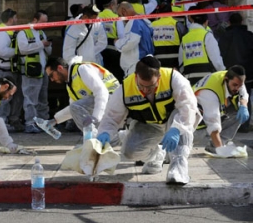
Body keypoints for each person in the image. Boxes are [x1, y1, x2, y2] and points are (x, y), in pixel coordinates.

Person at [96, 55, 201, 184]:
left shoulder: (174, 78)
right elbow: (111, 117)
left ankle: (179, 170)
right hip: (149, 125)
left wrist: (177, 129)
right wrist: (105, 132)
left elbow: (187, 107)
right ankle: (157, 156)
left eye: (151, 86)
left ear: (159, 77)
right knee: (130, 152)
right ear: (136, 77)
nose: (146, 90)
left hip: (173, 120)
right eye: (141, 86)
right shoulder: (124, 89)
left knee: (185, 123)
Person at [44, 56, 119, 132]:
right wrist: (55, 120)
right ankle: (95, 137)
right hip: (106, 102)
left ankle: (93, 136)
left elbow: (101, 91)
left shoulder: (82, 69)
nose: (52, 79)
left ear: (60, 68)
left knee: (79, 109)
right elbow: (74, 110)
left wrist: (96, 118)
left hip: (114, 98)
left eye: (51, 75)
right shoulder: (70, 84)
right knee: (76, 109)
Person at [193, 65, 250, 154]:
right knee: (187, 141)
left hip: (208, 113)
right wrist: (221, 151)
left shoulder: (235, 79)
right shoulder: (210, 94)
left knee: (238, 112)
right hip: (194, 124)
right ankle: (217, 146)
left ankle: (214, 146)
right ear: (226, 80)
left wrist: (244, 106)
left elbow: (243, 93)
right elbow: (213, 126)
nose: (237, 88)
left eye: (240, 85)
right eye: (235, 85)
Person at [16, 10, 52, 133]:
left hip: (43, 70)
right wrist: (42, 44)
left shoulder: (42, 33)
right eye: (42, 22)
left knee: (43, 99)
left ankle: (43, 122)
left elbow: (49, 51)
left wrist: (47, 46)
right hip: (30, 70)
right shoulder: (23, 33)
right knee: (30, 98)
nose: (44, 25)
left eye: (46, 23)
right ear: (34, 20)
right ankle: (30, 123)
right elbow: (23, 49)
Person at [0, 8, 24, 132]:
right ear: (10, 19)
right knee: (4, 97)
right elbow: (2, 51)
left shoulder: (8, 31)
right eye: (15, 18)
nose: (17, 20)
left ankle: (12, 120)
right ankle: (2, 122)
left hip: (9, 69)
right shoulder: (2, 32)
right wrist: (17, 52)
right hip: (2, 70)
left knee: (13, 96)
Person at [218, 13, 253, 133]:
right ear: (242, 21)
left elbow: (220, 54)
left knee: (228, 99)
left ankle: (229, 125)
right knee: (245, 97)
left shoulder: (224, 37)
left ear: (229, 22)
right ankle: (244, 125)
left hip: (229, 73)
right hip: (247, 73)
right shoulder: (249, 36)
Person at [178, 9, 225, 85]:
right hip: (207, 80)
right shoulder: (207, 36)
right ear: (206, 22)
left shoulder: (185, 38)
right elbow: (216, 60)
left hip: (190, 80)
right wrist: (223, 72)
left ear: (192, 21)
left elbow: (181, 62)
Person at [115, 2, 154, 76]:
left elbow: (130, 42)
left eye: (119, 15)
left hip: (135, 67)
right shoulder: (144, 22)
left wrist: (117, 43)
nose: (120, 18)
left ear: (124, 11)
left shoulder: (134, 22)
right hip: (144, 65)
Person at [152, 1, 187, 69]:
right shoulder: (178, 25)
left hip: (159, 64)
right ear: (171, 12)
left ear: (158, 12)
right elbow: (185, 42)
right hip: (175, 64)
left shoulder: (152, 25)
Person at [98, 0, 125, 82]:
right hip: (113, 49)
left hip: (99, 51)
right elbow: (121, 35)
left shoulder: (98, 16)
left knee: (103, 76)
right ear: (111, 5)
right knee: (115, 76)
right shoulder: (116, 17)